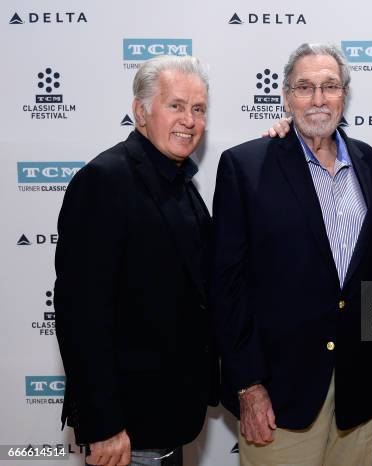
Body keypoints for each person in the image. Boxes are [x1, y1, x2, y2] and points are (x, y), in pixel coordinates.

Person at [211, 43, 372, 466]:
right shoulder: (246, 166)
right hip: (279, 397)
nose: (318, 99)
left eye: (330, 86)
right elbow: (225, 287)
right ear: (286, 96)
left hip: (357, 394)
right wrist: (248, 386)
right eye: (305, 87)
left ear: (345, 95)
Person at [54, 55, 219, 466]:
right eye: (176, 105)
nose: (189, 120)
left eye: (198, 109)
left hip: (170, 420)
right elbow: (81, 316)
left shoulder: (181, 181)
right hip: (126, 433)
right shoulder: (104, 181)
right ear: (141, 112)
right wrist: (103, 425)